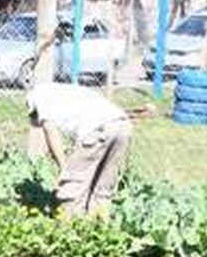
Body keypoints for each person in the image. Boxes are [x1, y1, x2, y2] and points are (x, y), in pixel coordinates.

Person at [25, 82, 133, 216]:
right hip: (123, 126)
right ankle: (100, 229)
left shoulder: (39, 96)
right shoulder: (68, 93)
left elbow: (50, 131)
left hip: (97, 130)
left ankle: (70, 230)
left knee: (72, 189)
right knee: (102, 190)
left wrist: (63, 168)